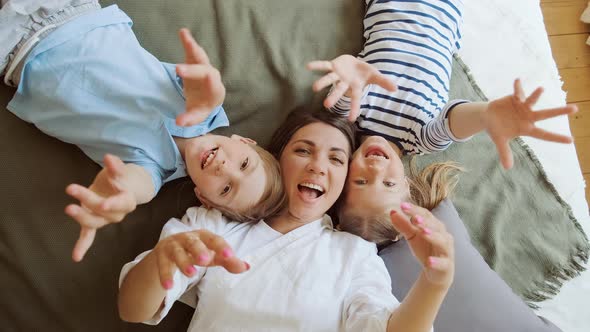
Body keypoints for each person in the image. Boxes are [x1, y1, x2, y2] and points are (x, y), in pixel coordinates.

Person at [117, 109, 455, 331]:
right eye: (303, 151)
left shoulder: (355, 255)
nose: (317, 166)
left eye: (336, 159)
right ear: (276, 161)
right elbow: (133, 309)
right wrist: (161, 260)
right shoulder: (215, 225)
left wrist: (435, 281)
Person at [0, 1, 285, 262]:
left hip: (14, 51)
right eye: (244, 163)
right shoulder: (201, 106)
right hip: (71, 13)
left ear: (204, 198)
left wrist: (119, 195)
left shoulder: (151, 172)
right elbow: (203, 89)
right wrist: (209, 90)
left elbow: (134, 187)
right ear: (244, 140)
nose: (225, 168)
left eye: (226, 188)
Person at [306, 0, 577, 241]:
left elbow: (344, 91)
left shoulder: (352, 116)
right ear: (406, 185)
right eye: (388, 184)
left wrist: (351, 73)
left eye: (361, 182)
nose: (375, 170)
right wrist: (486, 114)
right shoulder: (420, 138)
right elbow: (454, 122)